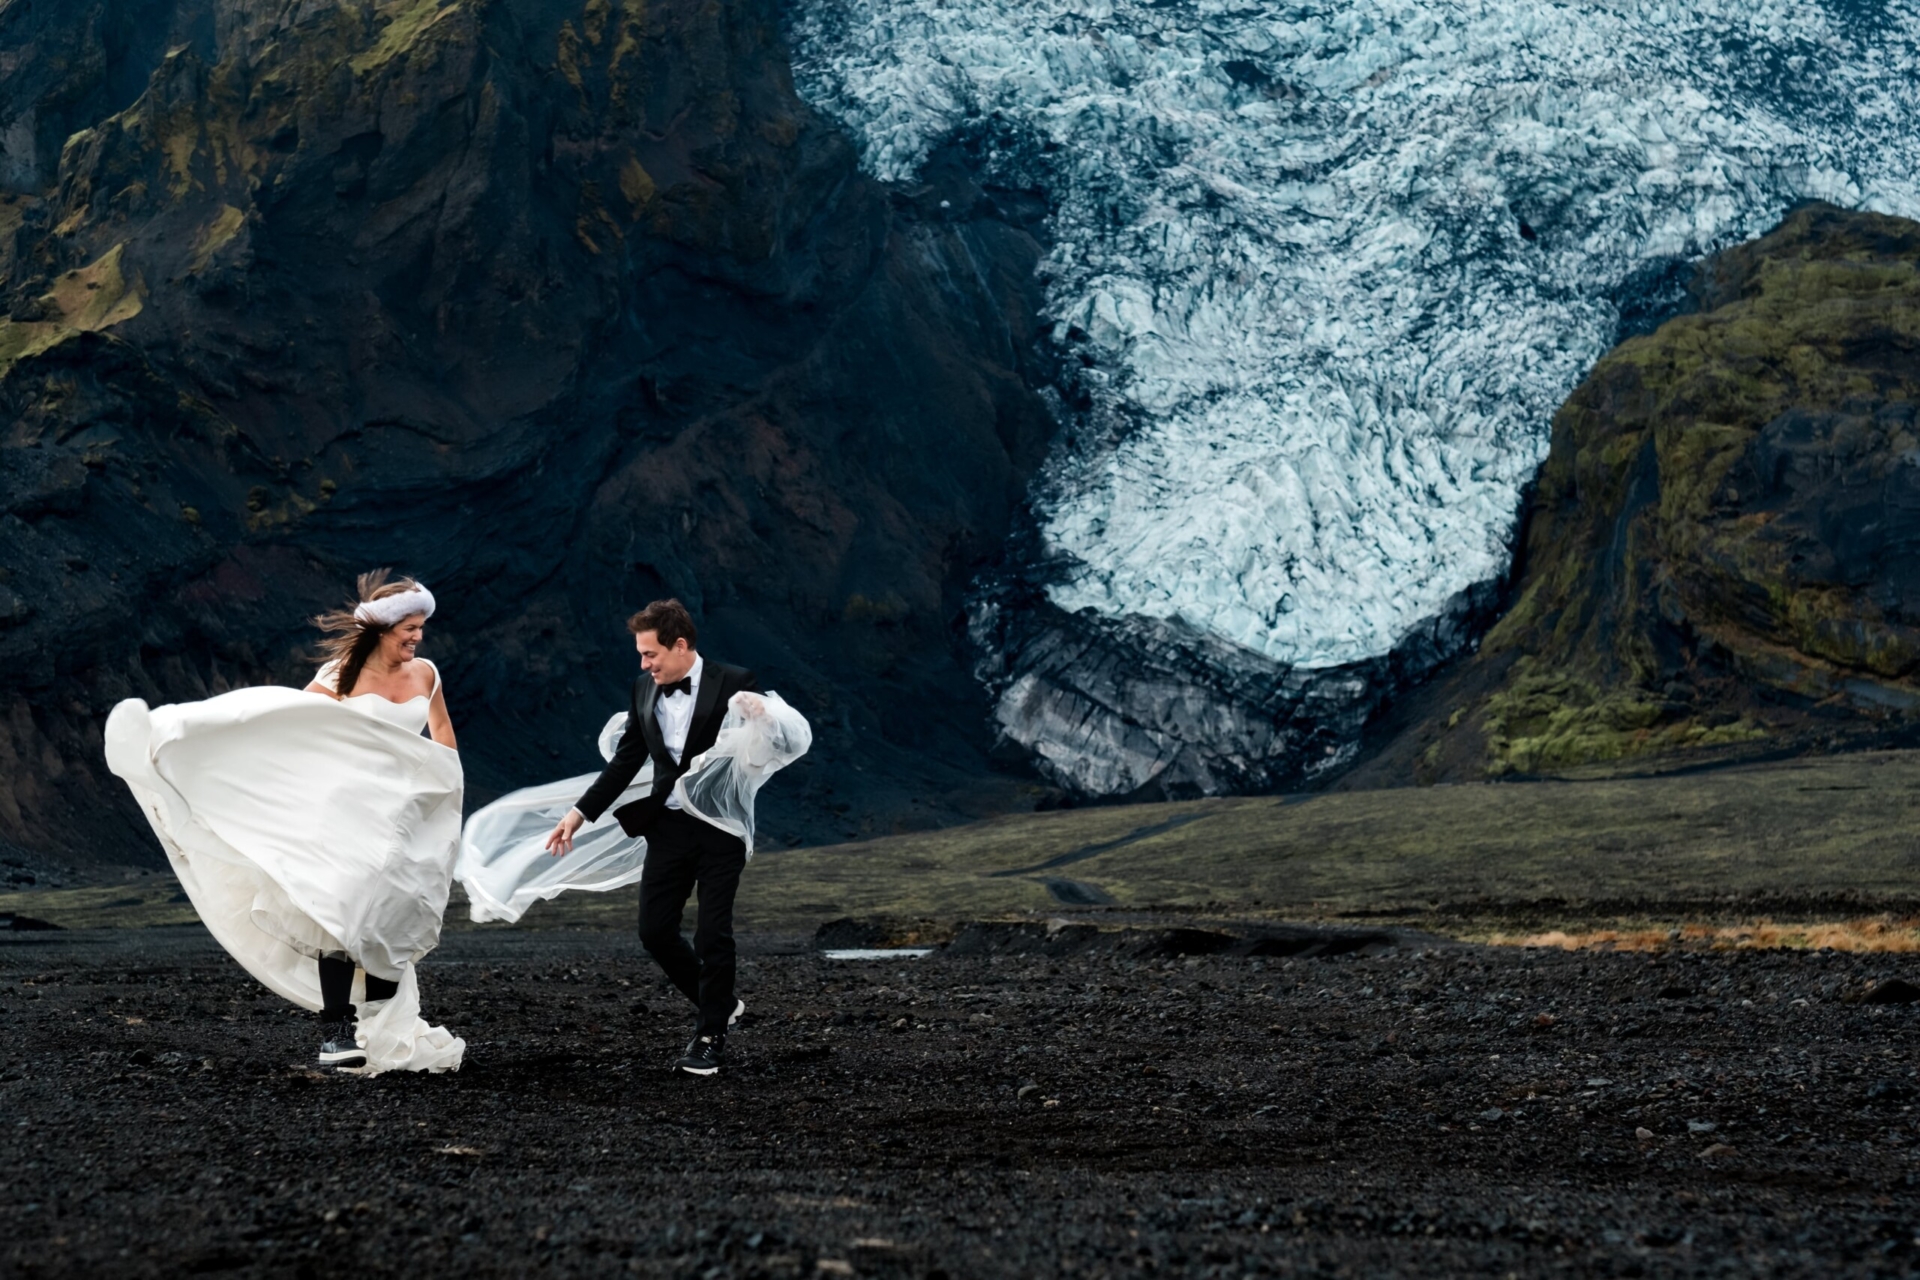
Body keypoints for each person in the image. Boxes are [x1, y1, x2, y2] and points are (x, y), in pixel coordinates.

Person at [104, 571, 466, 1073]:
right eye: (410, 628)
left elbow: (442, 734)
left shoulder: (425, 674)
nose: (418, 637)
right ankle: (336, 1034)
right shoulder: (340, 674)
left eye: (421, 627)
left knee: (394, 915)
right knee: (338, 909)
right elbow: (287, 722)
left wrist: (447, 794)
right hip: (345, 814)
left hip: (404, 818)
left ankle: (382, 1025)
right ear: (383, 629)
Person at [542, 598, 774, 1076]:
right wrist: (579, 814)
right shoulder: (643, 689)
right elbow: (627, 759)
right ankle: (720, 1003)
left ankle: (709, 1037)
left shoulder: (736, 681)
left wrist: (762, 717)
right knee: (654, 930)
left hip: (720, 828)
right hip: (667, 828)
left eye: (651, 654)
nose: (645, 665)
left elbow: (769, 744)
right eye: (642, 655)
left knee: (712, 933)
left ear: (680, 645)